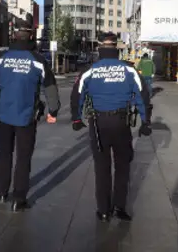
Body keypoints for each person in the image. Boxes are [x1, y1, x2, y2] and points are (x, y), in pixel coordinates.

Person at [70, 32, 151, 222]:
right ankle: (120, 207)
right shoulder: (129, 71)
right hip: (121, 123)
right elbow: (143, 97)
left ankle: (104, 210)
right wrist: (145, 122)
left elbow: (77, 95)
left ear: (99, 48)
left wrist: (76, 118)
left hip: (98, 124)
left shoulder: (89, 71)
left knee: (102, 167)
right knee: (122, 166)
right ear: (117, 48)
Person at [0, 27, 60, 212]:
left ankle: (1, 192)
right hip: (27, 117)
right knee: (24, 158)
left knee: (4, 154)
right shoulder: (39, 61)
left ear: (14, 37)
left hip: (4, 116)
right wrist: (53, 111)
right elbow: (50, 87)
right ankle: (19, 198)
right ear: (31, 38)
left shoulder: (0, 59)